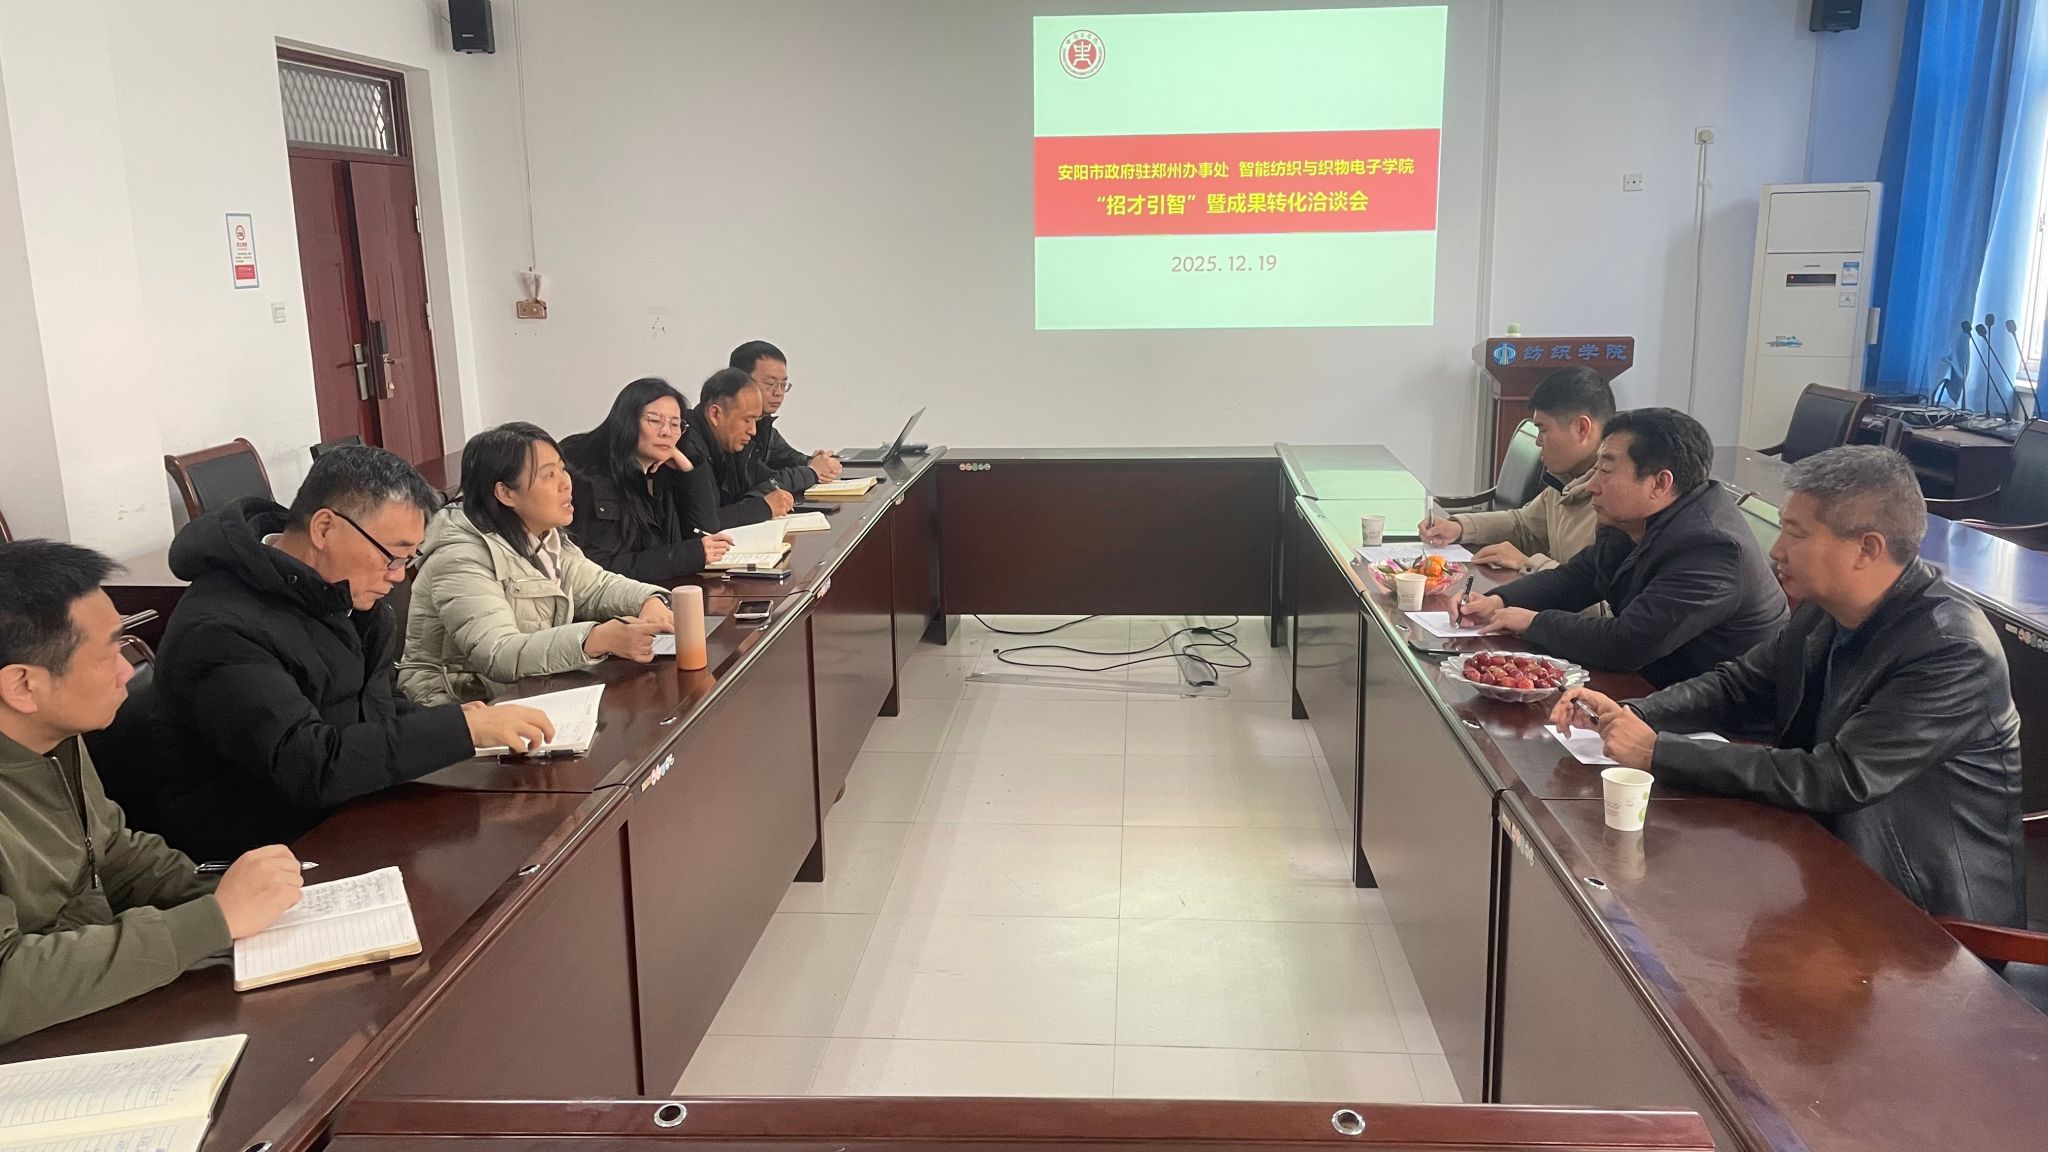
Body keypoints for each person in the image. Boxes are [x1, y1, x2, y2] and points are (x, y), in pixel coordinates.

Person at [1551, 446, 2024, 925]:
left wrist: (1659, 752)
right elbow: (1737, 686)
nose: (1777, 550)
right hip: (1820, 856)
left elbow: (1839, 777)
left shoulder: (1951, 649)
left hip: (1926, 918)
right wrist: (1634, 714)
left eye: (1796, 533)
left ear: (1867, 549)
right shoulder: (1824, 609)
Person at [150, 448, 555, 861]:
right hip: (269, 853)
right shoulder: (221, 629)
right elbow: (310, 766)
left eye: (408, 558)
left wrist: (458, 722)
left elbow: (374, 708)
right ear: (324, 528)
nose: (398, 576)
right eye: (392, 555)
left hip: (351, 814)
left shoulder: (343, 597)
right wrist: (459, 731)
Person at [0, 540, 306, 1042]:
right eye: (107, 654)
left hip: (92, 1008)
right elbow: (7, 984)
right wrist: (211, 920)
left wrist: (228, 892)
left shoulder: (54, 737)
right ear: (22, 686)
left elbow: (110, 851)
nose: (128, 669)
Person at [1454, 407, 1786, 687]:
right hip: (1648, 684)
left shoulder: (1712, 548)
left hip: (1710, 716)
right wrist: (1498, 600)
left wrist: (1533, 622)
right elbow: (1579, 577)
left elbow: (1627, 644)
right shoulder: (1631, 518)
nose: (1592, 485)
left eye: (1607, 470)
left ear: (1660, 483)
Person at [401, 422, 676, 707]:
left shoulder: (542, 534)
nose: (566, 483)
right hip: (458, 703)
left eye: (562, 469)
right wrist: (594, 639)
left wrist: (648, 600)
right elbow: (497, 652)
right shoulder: (460, 556)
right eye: (548, 475)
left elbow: (597, 587)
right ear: (505, 493)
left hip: (526, 689)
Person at [1419, 365, 1614, 572]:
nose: (1538, 442)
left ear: (1582, 429)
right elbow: (1524, 526)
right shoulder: (1566, 480)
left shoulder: (1615, 500)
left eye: (1543, 430)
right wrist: (1459, 527)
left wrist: (1525, 563)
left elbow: (1595, 589)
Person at [561, 377, 735, 584]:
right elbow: (601, 569)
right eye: (654, 421)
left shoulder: (662, 472)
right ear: (627, 421)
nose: (666, 432)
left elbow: (704, 531)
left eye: (675, 424)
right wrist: (687, 556)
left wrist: (689, 471)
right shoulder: (597, 478)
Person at [683, 368, 794, 527]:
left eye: (756, 420)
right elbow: (702, 522)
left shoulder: (730, 445)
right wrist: (763, 507)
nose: (753, 431)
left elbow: (767, 478)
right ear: (715, 414)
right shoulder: (689, 448)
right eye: (747, 420)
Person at [731, 340, 841, 491]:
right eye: (770, 383)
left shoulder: (763, 424)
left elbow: (788, 457)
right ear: (740, 381)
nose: (778, 392)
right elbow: (765, 483)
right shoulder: (731, 430)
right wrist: (812, 472)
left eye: (783, 385)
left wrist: (812, 461)